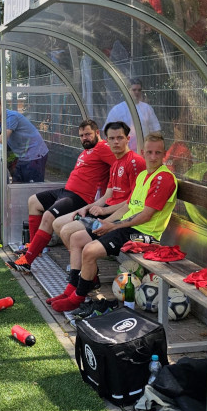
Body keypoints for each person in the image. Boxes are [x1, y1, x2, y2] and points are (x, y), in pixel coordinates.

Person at [52, 132, 178, 312]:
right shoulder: (143, 176)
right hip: (127, 226)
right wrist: (106, 222)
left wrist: (114, 225)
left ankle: (77, 298)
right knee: (77, 239)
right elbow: (128, 206)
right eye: (149, 152)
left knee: (89, 250)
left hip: (145, 235)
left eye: (158, 153)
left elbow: (146, 216)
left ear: (164, 154)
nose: (153, 157)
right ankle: (72, 289)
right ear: (143, 152)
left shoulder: (164, 178)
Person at [45, 121, 145, 304]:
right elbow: (108, 194)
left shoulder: (135, 162)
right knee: (65, 229)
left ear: (128, 139)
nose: (116, 142)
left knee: (70, 234)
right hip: (107, 213)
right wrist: (87, 207)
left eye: (120, 138)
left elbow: (132, 201)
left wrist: (105, 211)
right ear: (106, 140)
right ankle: (77, 285)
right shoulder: (115, 163)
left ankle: (80, 287)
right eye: (112, 138)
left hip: (120, 219)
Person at [6, 119, 117, 274]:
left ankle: (27, 261)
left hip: (80, 197)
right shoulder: (88, 149)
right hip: (67, 191)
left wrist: (108, 193)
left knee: (48, 216)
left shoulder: (104, 148)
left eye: (88, 134)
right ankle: (33, 247)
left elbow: (118, 165)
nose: (84, 138)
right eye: (81, 135)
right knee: (33, 201)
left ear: (97, 133)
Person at [0, 97, 49, 182]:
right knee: (18, 184)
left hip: (36, 154)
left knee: (33, 186)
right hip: (23, 156)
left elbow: (1, 139)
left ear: (2, 106)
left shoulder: (11, 116)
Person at [105, 79, 161, 154]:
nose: (137, 92)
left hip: (144, 151)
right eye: (134, 90)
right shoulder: (117, 110)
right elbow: (107, 132)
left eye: (139, 90)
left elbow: (155, 130)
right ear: (128, 91)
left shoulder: (147, 108)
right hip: (123, 152)